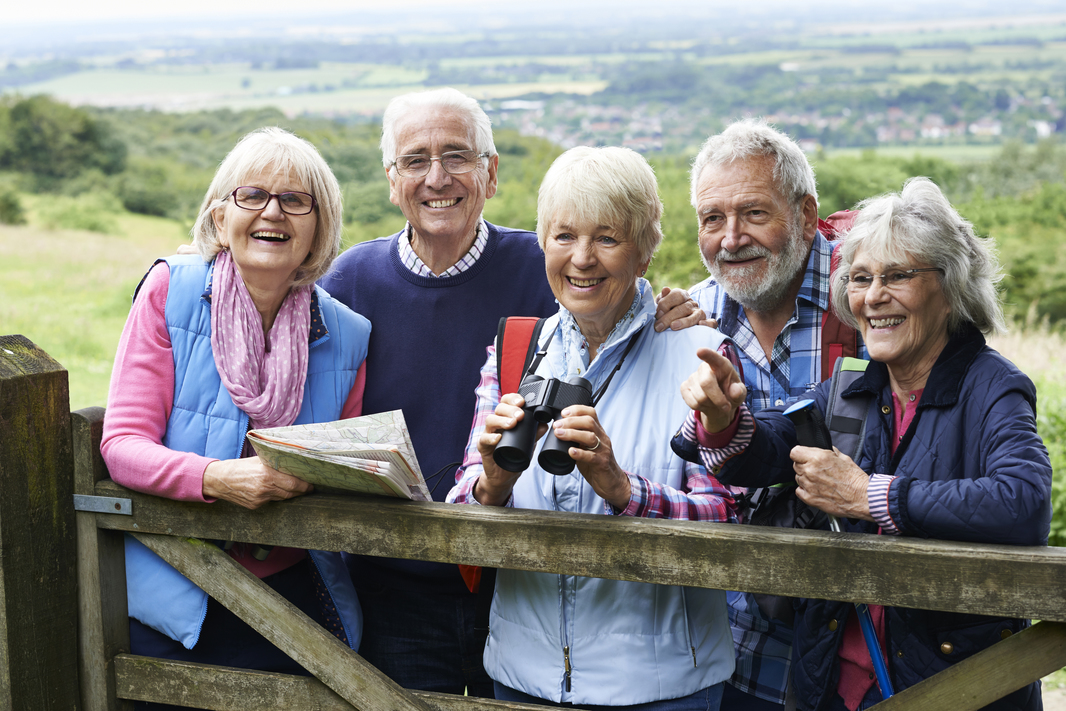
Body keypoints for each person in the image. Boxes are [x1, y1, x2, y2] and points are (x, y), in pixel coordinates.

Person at [318, 87, 702, 697]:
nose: (437, 177)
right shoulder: (351, 282)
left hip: (523, 587)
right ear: (392, 180)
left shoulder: (546, 264)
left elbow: (616, 302)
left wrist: (679, 308)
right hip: (398, 585)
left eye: (458, 157)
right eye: (415, 160)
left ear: (491, 172)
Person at [679, 177, 1051, 711]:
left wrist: (869, 495)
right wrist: (722, 419)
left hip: (954, 688)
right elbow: (769, 448)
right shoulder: (855, 384)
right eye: (859, 278)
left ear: (949, 288)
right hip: (833, 684)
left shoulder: (991, 384)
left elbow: (1024, 502)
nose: (874, 296)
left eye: (898, 275)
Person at [447, 146, 738, 710]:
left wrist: (623, 491)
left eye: (606, 238)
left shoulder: (699, 356)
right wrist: (491, 484)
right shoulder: (515, 351)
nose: (582, 259)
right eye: (563, 236)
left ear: (645, 250)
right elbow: (462, 504)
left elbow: (731, 512)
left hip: (660, 687)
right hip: (521, 677)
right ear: (542, 244)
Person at [102, 127, 369, 709]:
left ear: (318, 229)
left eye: (297, 200)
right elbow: (122, 444)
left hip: (294, 601)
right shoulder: (170, 291)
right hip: (174, 595)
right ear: (221, 218)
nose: (273, 212)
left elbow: (348, 464)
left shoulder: (349, 333)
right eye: (253, 196)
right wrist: (218, 479)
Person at [665, 118, 864, 711]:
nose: (730, 239)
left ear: (806, 215)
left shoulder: (871, 300)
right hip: (736, 658)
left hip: (861, 657)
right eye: (711, 219)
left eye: (753, 214)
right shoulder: (688, 324)